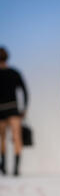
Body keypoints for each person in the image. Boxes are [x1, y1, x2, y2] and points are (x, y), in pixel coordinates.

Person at [0, 47, 28, 176]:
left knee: (2, 138)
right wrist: (24, 108)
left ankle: (4, 166)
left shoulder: (14, 72)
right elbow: (24, 91)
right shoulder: (14, 72)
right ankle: (16, 168)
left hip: (2, 109)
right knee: (16, 137)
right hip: (13, 108)